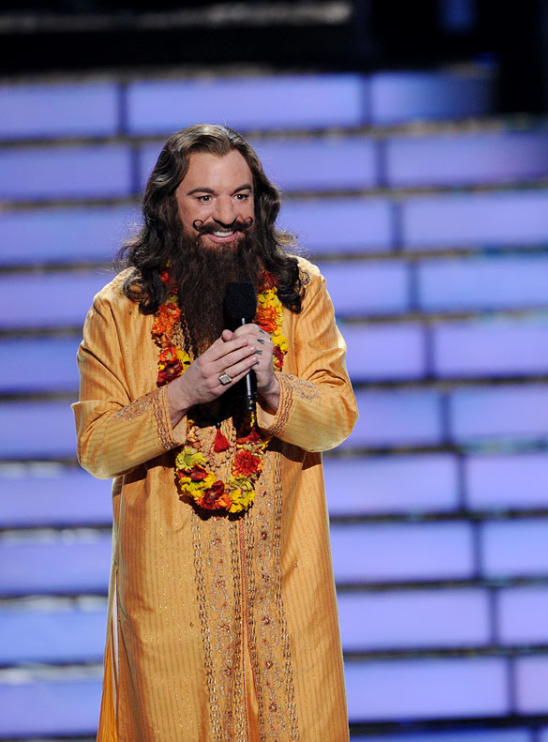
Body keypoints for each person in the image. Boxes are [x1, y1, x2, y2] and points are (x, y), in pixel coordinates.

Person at [73, 124, 358, 741]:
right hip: (171, 599)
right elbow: (95, 447)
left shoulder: (298, 291)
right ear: (168, 206)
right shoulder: (120, 310)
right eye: (204, 197)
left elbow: (337, 417)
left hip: (286, 587)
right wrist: (182, 394)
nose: (225, 216)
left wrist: (277, 385)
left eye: (241, 195)